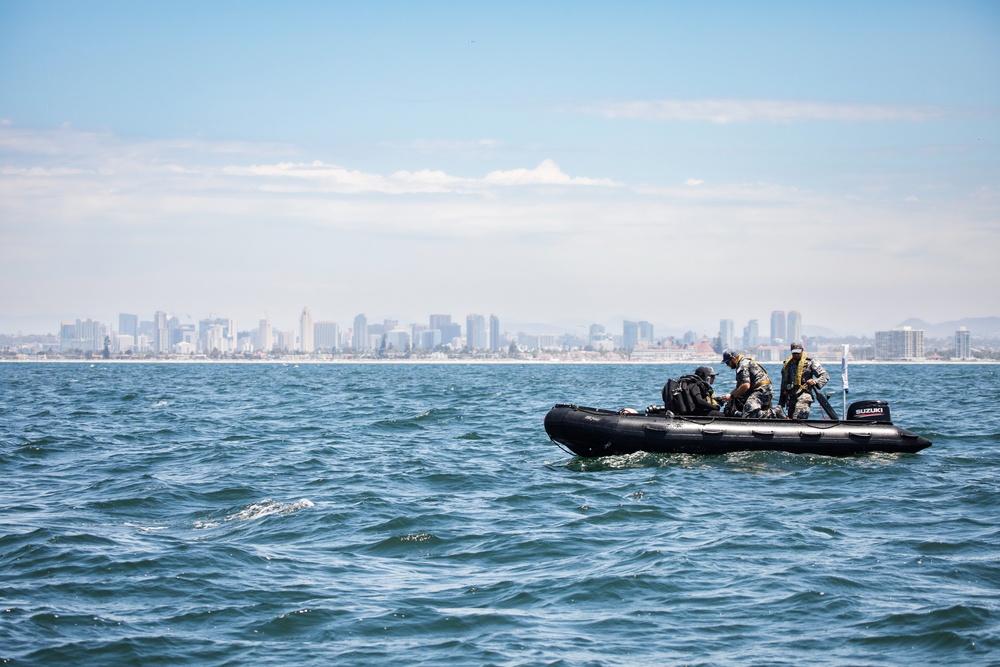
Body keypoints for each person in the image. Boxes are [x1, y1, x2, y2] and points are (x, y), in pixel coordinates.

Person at [779, 341, 830, 420]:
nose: (796, 355)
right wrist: (781, 403)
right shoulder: (787, 365)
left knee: (798, 418)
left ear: (802, 350)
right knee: (789, 420)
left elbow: (825, 376)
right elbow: (783, 385)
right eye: (794, 353)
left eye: (798, 353)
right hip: (792, 397)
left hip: (804, 395)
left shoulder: (810, 363)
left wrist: (815, 381)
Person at [718, 350, 773, 418]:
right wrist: (728, 397)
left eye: (727, 362)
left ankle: (775, 412)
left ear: (733, 358)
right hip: (761, 390)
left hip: (761, 391)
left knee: (748, 414)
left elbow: (745, 385)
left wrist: (732, 396)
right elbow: (739, 388)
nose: (727, 365)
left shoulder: (743, 365)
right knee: (745, 409)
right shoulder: (741, 364)